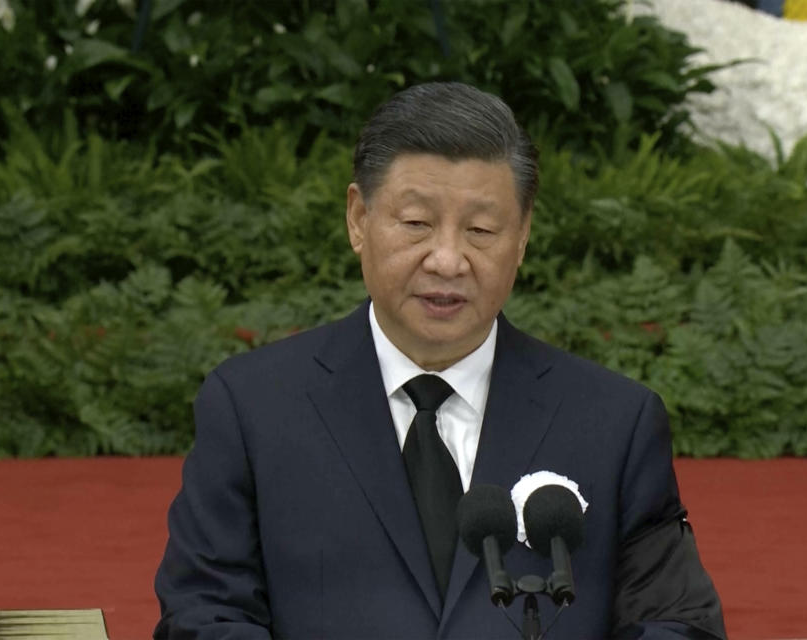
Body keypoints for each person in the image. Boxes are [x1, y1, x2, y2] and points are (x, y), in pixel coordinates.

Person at [154, 82, 726, 639]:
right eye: (417, 224)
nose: (448, 260)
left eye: (481, 230)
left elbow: (678, 623)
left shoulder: (614, 423)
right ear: (358, 219)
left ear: (522, 236)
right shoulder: (254, 407)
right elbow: (204, 614)